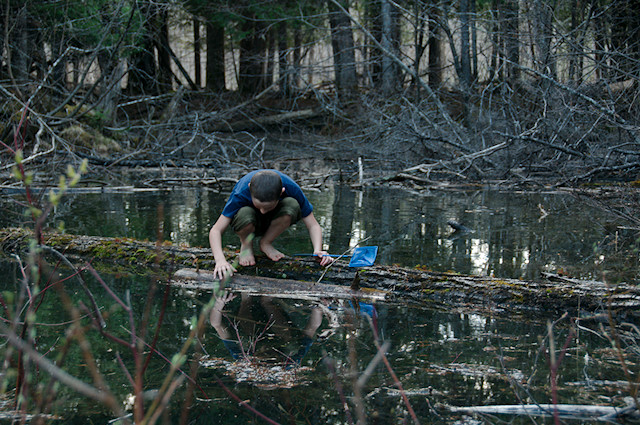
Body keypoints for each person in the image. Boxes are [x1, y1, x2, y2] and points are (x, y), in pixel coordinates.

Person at [209, 169, 332, 279]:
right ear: (250, 187)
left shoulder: (291, 188)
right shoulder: (241, 191)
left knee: (292, 205)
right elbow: (216, 230)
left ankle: (266, 242)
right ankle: (246, 245)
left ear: (281, 192)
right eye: (259, 206)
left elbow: (313, 225)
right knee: (245, 213)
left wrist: (318, 251)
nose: (262, 211)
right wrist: (220, 260)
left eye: (267, 207)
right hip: (247, 223)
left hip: (274, 223)